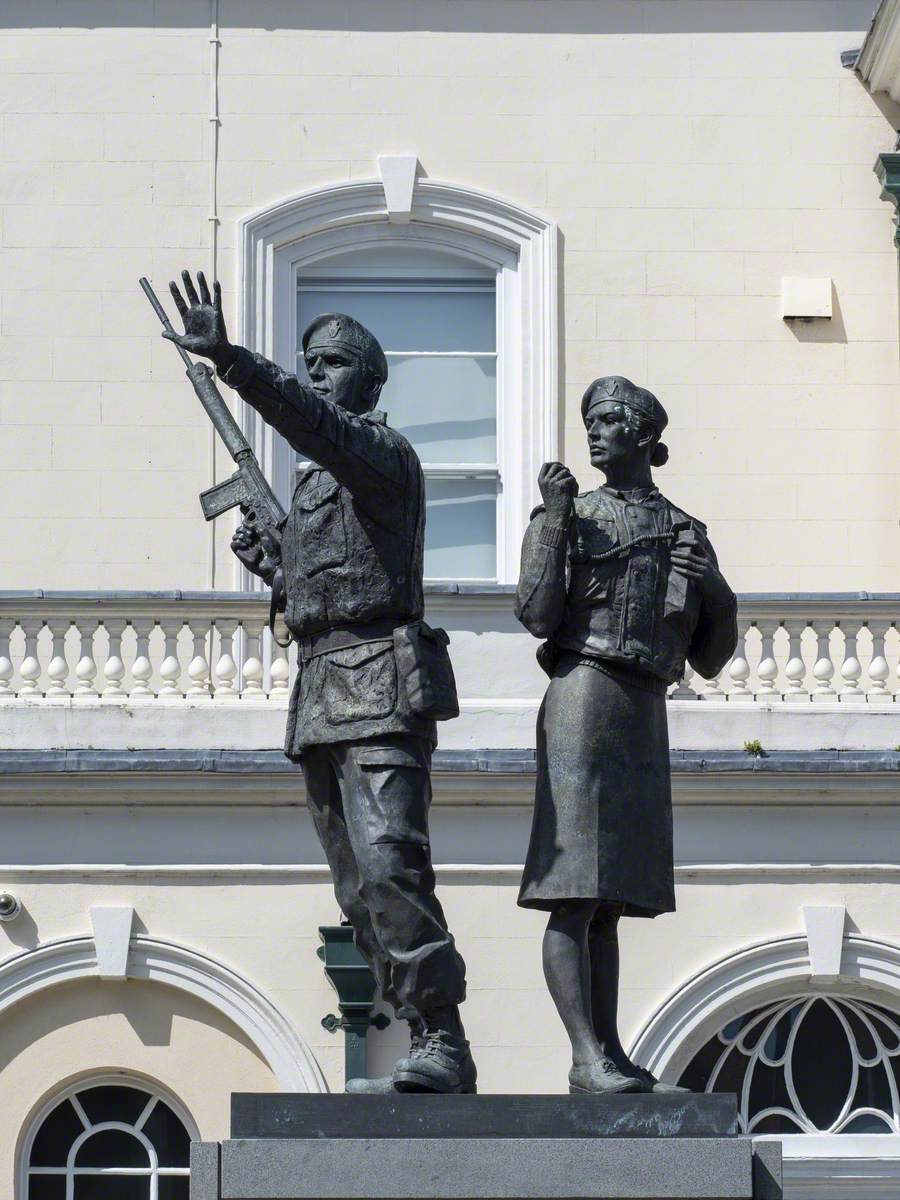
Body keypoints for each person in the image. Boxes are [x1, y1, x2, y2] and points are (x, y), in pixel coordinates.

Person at [164, 269, 475, 1095]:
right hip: (320, 690)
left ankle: (443, 1033)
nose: (315, 373)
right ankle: (418, 1025)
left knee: (391, 869)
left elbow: (314, 426)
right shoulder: (314, 487)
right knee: (355, 890)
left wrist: (233, 359)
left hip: (381, 681)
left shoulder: (381, 457)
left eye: (331, 362)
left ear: (369, 381)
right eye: (308, 361)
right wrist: (279, 570)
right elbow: (316, 591)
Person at [515, 375, 737, 1094]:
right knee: (573, 888)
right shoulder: (571, 515)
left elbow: (708, 656)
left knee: (608, 900)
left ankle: (604, 1054)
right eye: (590, 421)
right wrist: (550, 521)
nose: (595, 431)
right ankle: (586, 1054)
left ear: (645, 434)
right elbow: (537, 614)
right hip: (584, 691)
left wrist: (719, 591)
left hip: (644, 705)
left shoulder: (684, 531)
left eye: (609, 419)